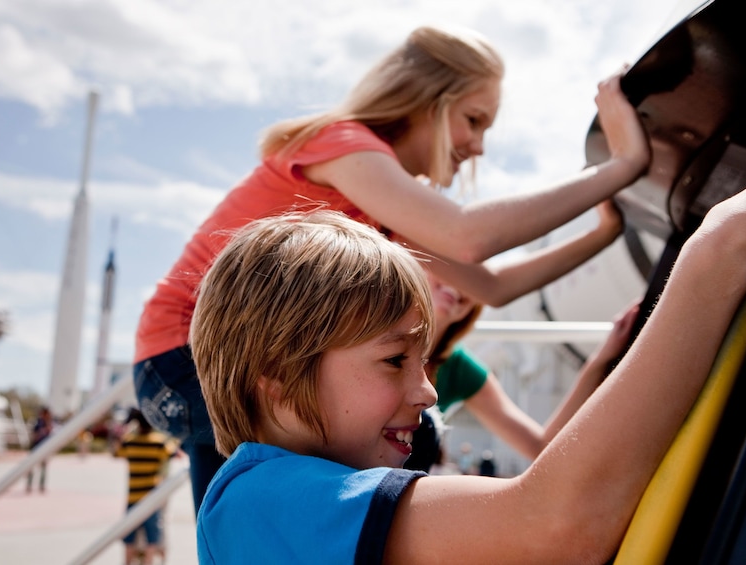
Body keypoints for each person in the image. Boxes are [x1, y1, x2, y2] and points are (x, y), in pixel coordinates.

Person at [134, 24, 650, 514]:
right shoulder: (342, 144)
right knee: (261, 510)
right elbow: (469, 237)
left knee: (406, 437)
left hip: (252, 358)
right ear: (429, 100)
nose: (479, 147)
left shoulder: (383, 207)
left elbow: (492, 284)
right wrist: (621, 165)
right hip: (189, 359)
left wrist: (603, 233)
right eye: (473, 120)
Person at [190, 169, 746, 563]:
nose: (428, 392)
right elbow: (555, 526)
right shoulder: (261, 501)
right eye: (394, 360)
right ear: (272, 380)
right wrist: (718, 254)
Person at [403, 271, 640, 472]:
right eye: (449, 267)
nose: (458, 281)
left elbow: (539, 445)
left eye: (470, 276)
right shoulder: (374, 330)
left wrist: (599, 361)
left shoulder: (460, 368)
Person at [117, 408, 177, 565]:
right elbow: (173, 453)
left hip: (133, 497)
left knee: (129, 538)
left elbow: (117, 452)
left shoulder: (130, 441)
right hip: (151, 498)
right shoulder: (158, 442)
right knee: (152, 538)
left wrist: (126, 428)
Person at [26, 406, 52, 494]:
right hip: (36, 448)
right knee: (31, 467)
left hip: (44, 449)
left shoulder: (49, 423)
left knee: (44, 468)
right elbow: (34, 435)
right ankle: (29, 485)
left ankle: (42, 485)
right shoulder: (38, 423)